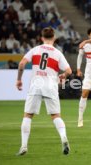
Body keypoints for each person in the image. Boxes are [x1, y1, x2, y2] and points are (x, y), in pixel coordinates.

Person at [16, 27, 71, 156]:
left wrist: (19, 79)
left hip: (36, 85)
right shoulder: (57, 53)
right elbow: (68, 71)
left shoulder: (35, 50)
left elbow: (21, 64)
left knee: (28, 115)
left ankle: (24, 146)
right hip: (50, 85)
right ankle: (63, 137)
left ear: (42, 38)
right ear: (54, 38)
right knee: (55, 116)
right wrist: (63, 76)